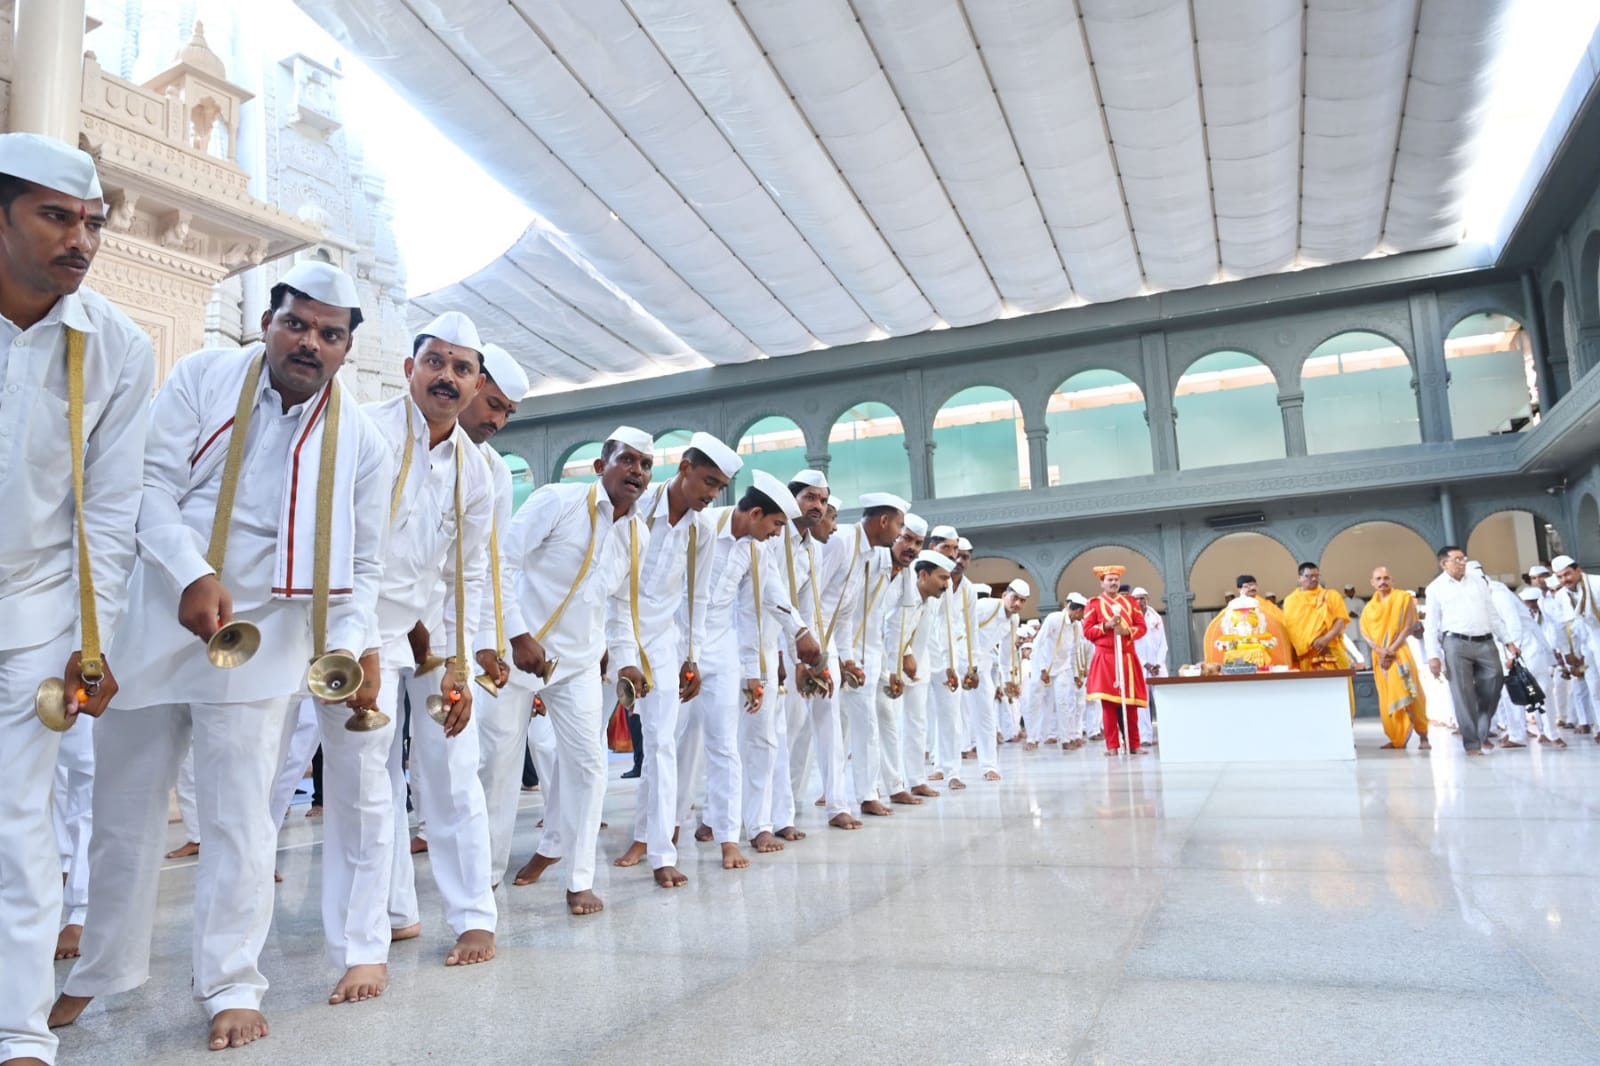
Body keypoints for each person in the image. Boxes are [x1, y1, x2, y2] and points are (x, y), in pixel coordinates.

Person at [55, 261, 387, 1046]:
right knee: (122, 816)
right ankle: (96, 974)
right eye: (296, 324)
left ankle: (233, 982)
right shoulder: (204, 377)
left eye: (328, 334)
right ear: (267, 323)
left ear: (347, 349)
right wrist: (192, 572)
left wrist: (346, 647)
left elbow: (366, 564)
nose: (309, 342)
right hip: (163, 615)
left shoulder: (360, 440)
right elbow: (150, 487)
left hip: (268, 639)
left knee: (240, 823)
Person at [0, 133, 152, 1066]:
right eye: (57, 216)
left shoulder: (117, 345)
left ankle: (18, 1027)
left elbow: (112, 503)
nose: (82, 241)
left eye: (91, 222)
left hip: (38, 608)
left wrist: (92, 643)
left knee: (21, 821)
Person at [365, 311, 497, 969]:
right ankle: (391, 913)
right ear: (409, 368)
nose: (447, 376)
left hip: (433, 638)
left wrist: (457, 667)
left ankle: (474, 917)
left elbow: (467, 573)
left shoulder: (478, 472)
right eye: (435, 362)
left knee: (452, 770)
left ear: (475, 385)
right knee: (370, 775)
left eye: (461, 368)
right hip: (360, 628)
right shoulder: (366, 431)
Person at [508, 427, 650, 913]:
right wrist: (514, 634)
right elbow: (502, 562)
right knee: (498, 770)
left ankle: (579, 879)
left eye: (646, 465)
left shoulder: (638, 533)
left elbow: (620, 608)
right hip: (516, 655)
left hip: (580, 666)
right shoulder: (557, 502)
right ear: (600, 466)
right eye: (627, 460)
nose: (637, 471)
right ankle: (482, 881)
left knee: (590, 767)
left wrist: (627, 656)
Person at [610, 433, 742, 887]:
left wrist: (692, 657)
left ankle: (659, 847)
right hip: (607, 634)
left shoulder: (702, 531)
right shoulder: (636, 505)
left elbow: (697, 597)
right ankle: (560, 842)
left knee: (662, 747)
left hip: (662, 643)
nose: (711, 494)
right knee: (578, 749)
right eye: (707, 481)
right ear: (683, 468)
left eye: (720, 487)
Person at [456, 344, 536, 889]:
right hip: (383, 624)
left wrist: (492, 639)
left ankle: (480, 876)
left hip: (462, 632)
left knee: (483, 759)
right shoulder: (385, 436)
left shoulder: (493, 470)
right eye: (493, 404)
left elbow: (493, 561)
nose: (497, 421)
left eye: (507, 412)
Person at [1424, 546, 1518, 756]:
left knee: (1494, 683)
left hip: (1485, 642)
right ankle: (1473, 743)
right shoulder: (1435, 588)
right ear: (1444, 564)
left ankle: (1481, 730)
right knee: (1462, 694)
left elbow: (1492, 614)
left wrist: (1508, 640)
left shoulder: (1478, 581)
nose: (1462, 563)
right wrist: (1434, 656)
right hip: (1455, 645)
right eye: (1457, 559)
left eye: (1463, 559)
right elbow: (1431, 625)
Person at [882, 548, 955, 800]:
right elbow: (887, 623)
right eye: (943, 578)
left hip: (918, 667)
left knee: (917, 723)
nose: (947, 585)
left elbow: (930, 634)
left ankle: (916, 780)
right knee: (889, 725)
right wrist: (905, 654)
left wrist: (939, 665)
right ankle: (894, 785)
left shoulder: (933, 600)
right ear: (923, 575)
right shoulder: (901, 591)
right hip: (890, 663)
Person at [1359, 566, 1429, 750]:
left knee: (1411, 693)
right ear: (1372, 583)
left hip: (1399, 653)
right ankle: (1397, 737)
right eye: (1379, 578)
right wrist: (1380, 651)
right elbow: (1365, 633)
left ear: (1393, 580)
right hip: (1379, 657)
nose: (1383, 581)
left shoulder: (1403, 599)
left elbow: (1407, 627)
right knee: (1386, 695)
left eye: (1386, 578)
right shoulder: (1368, 609)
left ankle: (1423, 736)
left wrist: (1390, 650)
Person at [1083, 565, 1147, 754]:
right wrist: (1106, 626)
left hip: (1127, 657)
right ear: (1102, 583)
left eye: (1116, 579)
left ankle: (1133, 744)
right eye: (1109, 580)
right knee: (1109, 704)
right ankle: (1112, 746)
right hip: (1106, 658)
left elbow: (1142, 627)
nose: (1113, 583)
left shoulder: (1131, 603)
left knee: (1131, 703)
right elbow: (1087, 632)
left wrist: (1127, 631)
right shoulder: (1093, 604)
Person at [1553, 555, 1600, 743]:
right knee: (1594, 686)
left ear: (1578, 570)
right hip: (1585, 645)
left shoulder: (1597, 583)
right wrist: (1568, 654)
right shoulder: (1561, 595)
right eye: (1560, 577)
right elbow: (1561, 626)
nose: (1565, 580)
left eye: (1568, 574)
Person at [1515, 586, 1565, 747]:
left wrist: (1554, 658)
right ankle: (1542, 732)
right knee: (1534, 698)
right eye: (1527, 602)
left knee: (1547, 695)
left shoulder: (1546, 617)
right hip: (1524, 666)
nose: (1530, 605)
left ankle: (1552, 733)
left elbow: (1546, 638)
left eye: (1533, 602)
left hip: (1542, 662)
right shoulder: (1515, 620)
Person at [1284, 562, 1351, 671]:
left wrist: (1325, 639)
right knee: (1311, 687)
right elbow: (1291, 629)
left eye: (1316, 576)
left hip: (1331, 649)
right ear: (1299, 578)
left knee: (1338, 685)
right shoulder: (1290, 601)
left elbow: (1341, 620)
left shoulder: (1331, 595)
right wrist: (1310, 643)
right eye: (1309, 576)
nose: (1314, 579)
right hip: (1307, 654)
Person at [1132, 587, 1165, 744]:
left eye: (1142, 598)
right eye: (1136, 599)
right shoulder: (1130, 620)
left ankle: (1166, 734)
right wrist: (1145, 663)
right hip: (1140, 666)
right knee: (1142, 703)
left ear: (1147, 599)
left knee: (1162, 700)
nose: (1139, 602)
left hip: (1158, 666)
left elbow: (1163, 644)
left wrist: (1158, 663)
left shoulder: (1156, 617)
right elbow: (1132, 645)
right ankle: (1145, 737)